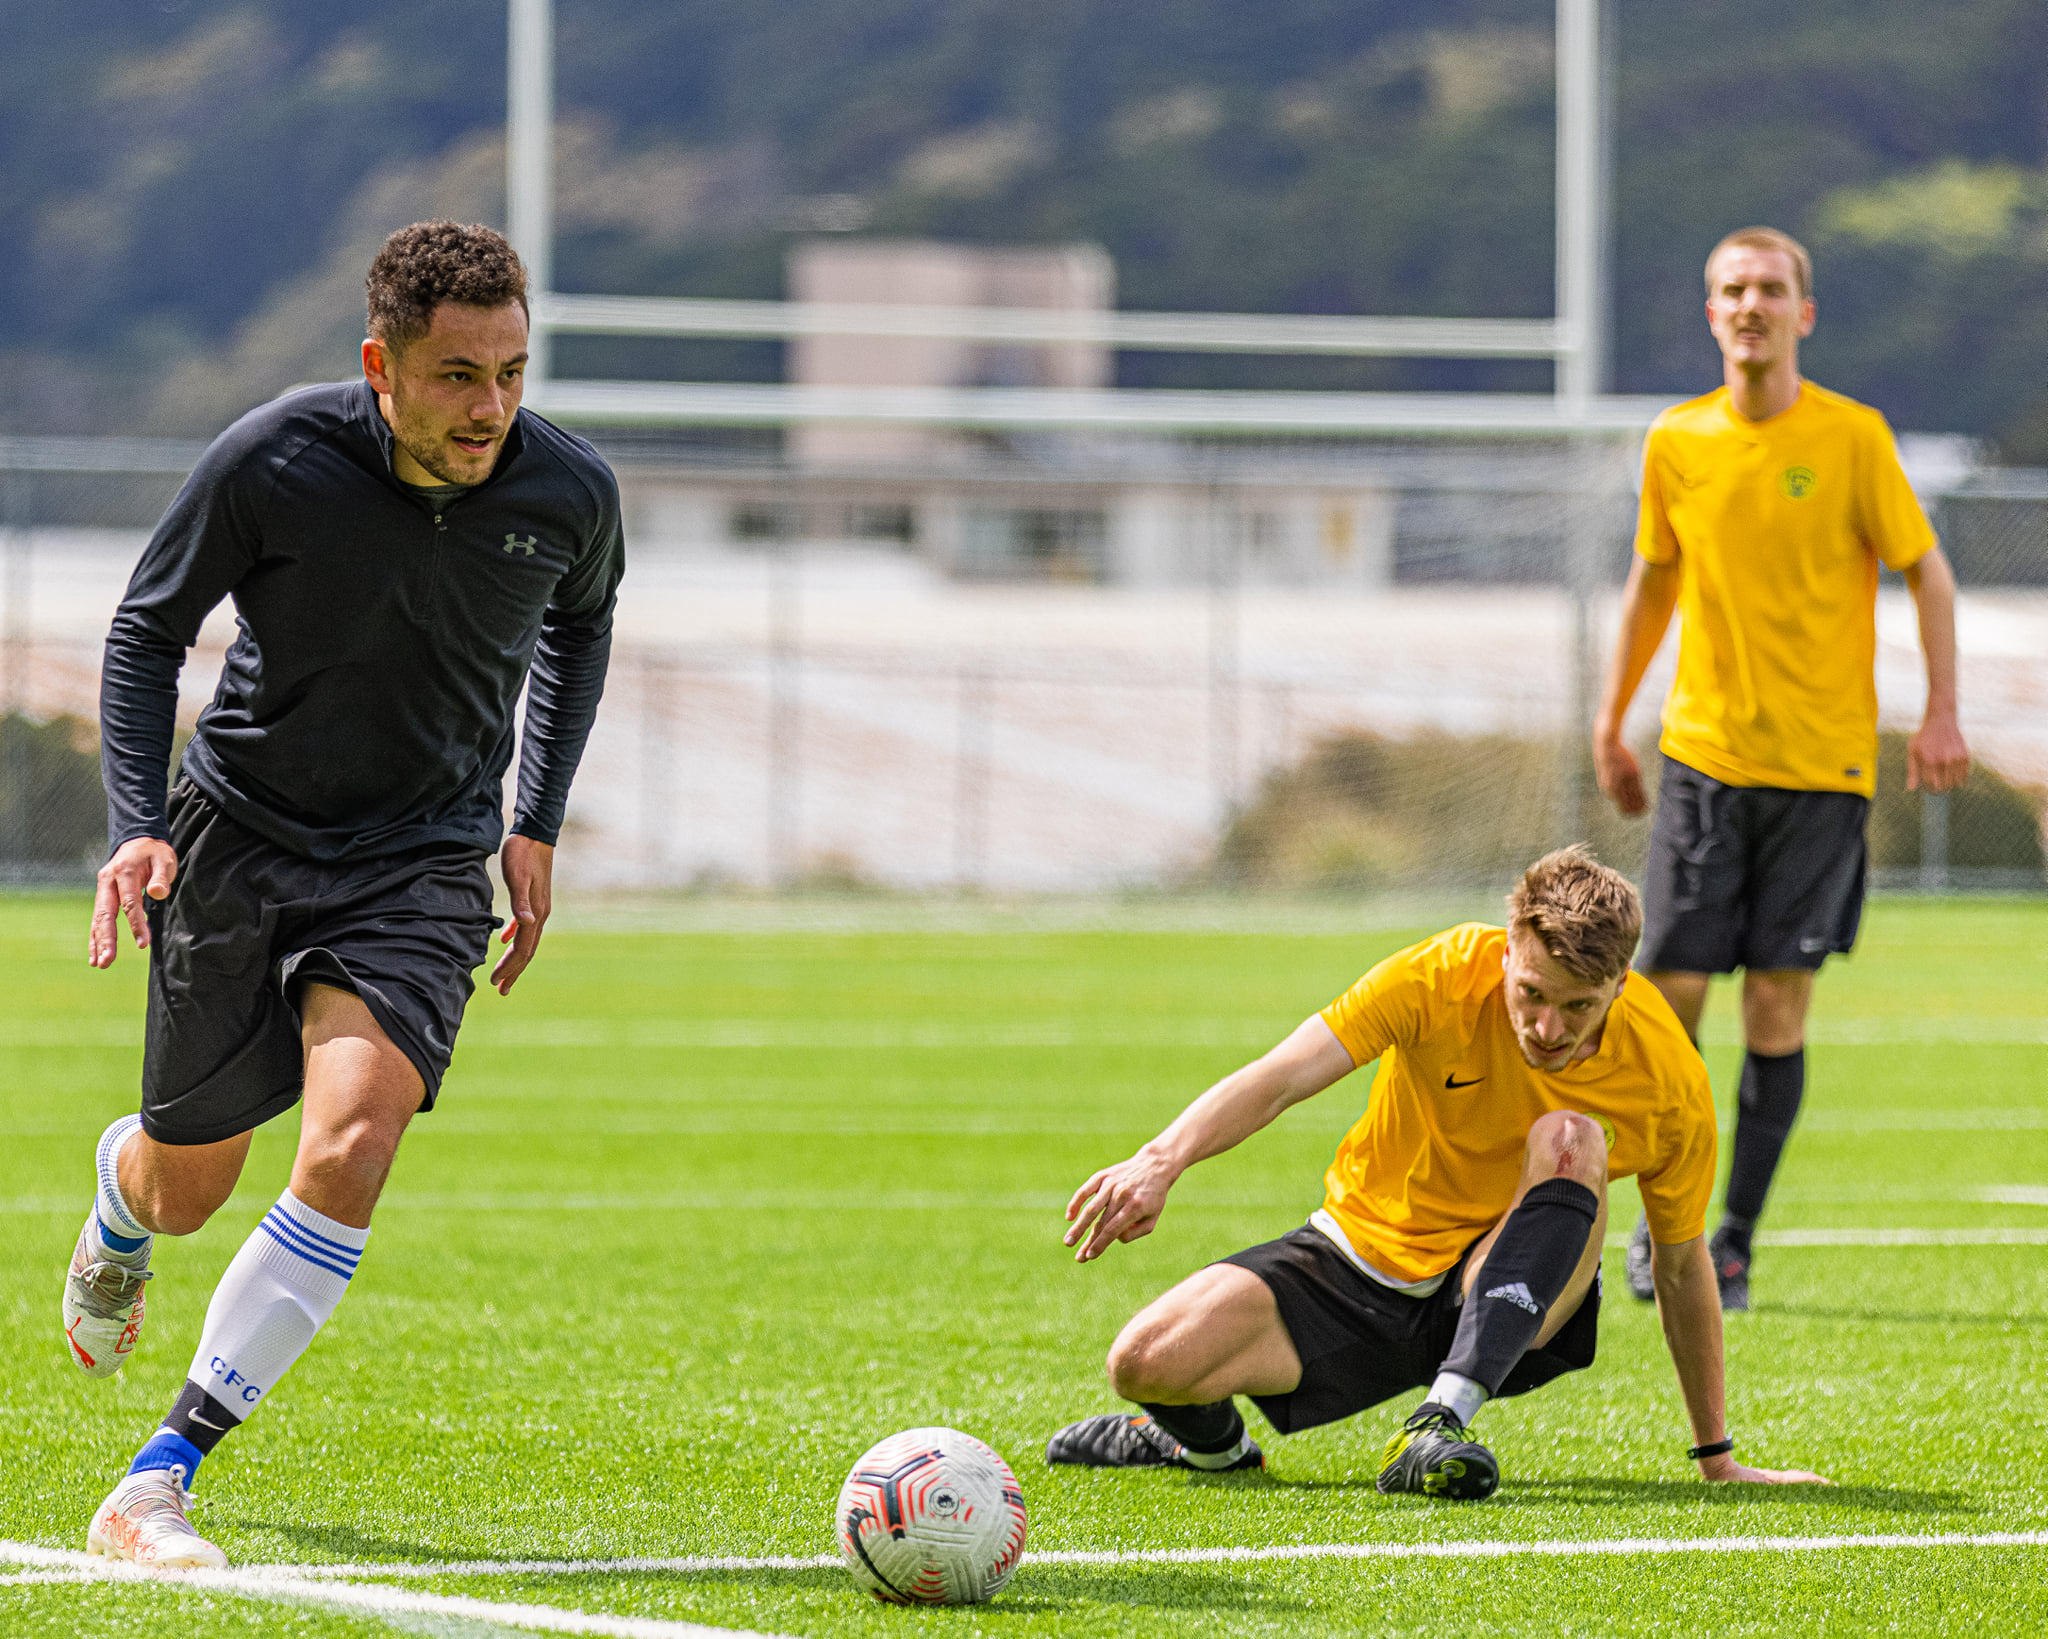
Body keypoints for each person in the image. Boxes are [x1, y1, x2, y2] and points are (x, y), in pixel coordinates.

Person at [65, 221, 625, 1569]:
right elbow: (147, 629)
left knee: (353, 1137)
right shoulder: (274, 459)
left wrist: (533, 820)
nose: (490, 406)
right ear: (382, 364)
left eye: (510, 371)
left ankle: (158, 1473)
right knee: (190, 1182)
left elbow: (583, 621)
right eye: (454, 375)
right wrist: (138, 827)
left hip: (423, 860)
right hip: (241, 837)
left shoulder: (568, 489)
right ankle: (123, 1196)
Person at [1045, 848, 1825, 1497]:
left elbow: (1683, 1266)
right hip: (1359, 1259)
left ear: (1622, 983)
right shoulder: (1439, 974)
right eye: (1532, 994)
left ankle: (1439, 1419)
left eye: (1580, 1006)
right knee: (1144, 1360)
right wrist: (1159, 1162)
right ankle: (1209, 1449)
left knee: (1572, 1138)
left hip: (1503, 1292)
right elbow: (1285, 1074)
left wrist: (1716, 1454)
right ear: (1507, 948)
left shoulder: (1669, 1077)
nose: (1548, 1027)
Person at [1593, 226, 1969, 1311]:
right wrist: (1609, 719)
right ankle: (1659, 1225)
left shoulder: (1851, 439)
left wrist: (1939, 713)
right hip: (1702, 762)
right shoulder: (1675, 440)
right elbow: (1650, 585)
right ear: (1708, 314)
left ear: (1803, 313)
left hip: (1820, 774)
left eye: (1768, 288)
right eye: (1729, 289)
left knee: (1773, 1007)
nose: (1748, 304)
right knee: (1663, 1005)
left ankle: (1733, 1242)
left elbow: (1927, 575)